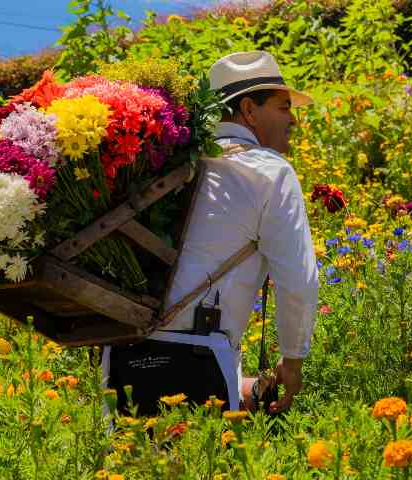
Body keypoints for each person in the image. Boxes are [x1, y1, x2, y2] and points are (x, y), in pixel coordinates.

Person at [102, 51, 319, 416]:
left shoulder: (171, 164)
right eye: (283, 107)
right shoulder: (269, 172)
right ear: (249, 110)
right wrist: (293, 362)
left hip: (124, 357)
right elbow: (298, 281)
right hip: (198, 361)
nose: (293, 119)